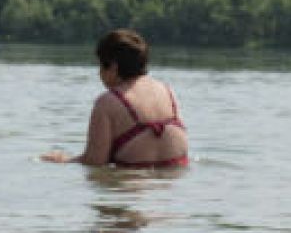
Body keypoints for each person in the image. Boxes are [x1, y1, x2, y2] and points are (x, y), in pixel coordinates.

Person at [43, 28, 189, 168]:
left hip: (131, 185)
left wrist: (64, 161)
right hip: (172, 186)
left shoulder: (107, 103)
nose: (98, 73)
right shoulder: (167, 91)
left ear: (113, 67)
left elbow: (95, 161)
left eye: (100, 66)